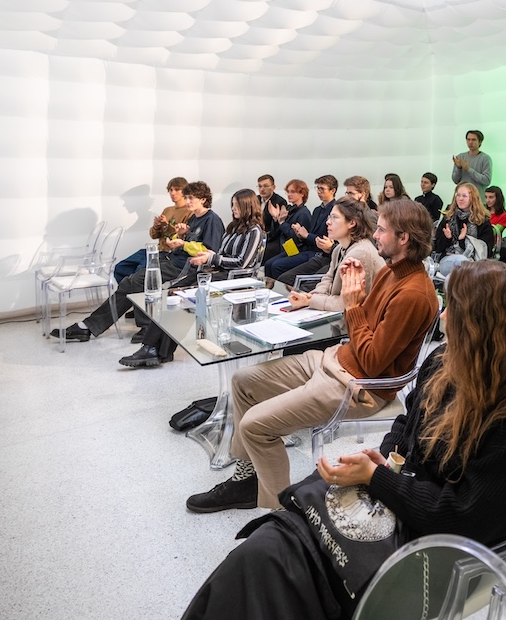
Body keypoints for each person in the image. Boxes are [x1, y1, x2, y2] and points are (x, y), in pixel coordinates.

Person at [180, 259, 506, 620]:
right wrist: (383, 460)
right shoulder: (445, 361)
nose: (442, 317)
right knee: (269, 544)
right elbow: (407, 422)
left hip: (435, 551)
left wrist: (377, 478)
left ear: (480, 326)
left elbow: (463, 516)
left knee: (277, 566)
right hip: (403, 508)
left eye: (452, 309)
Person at [186, 200, 439, 513]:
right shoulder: (390, 272)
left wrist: (353, 305)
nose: (375, 236)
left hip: (360, 387)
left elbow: (373, 361)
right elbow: (362, 326)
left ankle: (282, 516)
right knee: (243, 381)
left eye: (382, 230)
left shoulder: (414, 294)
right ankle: (247, 479)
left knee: (254, 425)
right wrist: (354, 298)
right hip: (338, 361)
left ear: (404, 238)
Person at [52, 181, 223, 342]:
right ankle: (89, 326)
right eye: (186, 197)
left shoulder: (212, 220)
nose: (187, 201)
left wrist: (183, 243)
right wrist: (180, 235)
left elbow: (209, 252)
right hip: (172, 258)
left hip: (186, 267)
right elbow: (184, 241)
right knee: (129, 280)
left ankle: (142, 326)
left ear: (203, 199)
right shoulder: (194, 218)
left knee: (139, 281)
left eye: (191, 198)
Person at [118, 189, 266, 366]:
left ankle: (152, 349)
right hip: (216, 273)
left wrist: (211, 258)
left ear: (247, 206)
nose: (233, 208)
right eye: (232, 205)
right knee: (173, 293)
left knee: (181, 298)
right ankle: (156, 349)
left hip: (233, 279)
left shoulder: (254, 231)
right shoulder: (232, 228)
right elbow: (220, 253)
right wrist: (206, 257)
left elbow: (243, 263)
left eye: (236, 205)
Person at [285, 197, 385, 312]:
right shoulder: (339, 249)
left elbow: (347, 304)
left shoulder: (360, 254)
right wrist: (311, 297)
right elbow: (328, 279)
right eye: (329, 217)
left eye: (334, 217)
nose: (328, 222)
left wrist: (310, 301)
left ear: (352, 223)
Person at [115, 177, 192, 281]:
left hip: (170, 254)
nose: (172, 193)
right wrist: (156, 226)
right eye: (170, 190)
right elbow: (154, 235)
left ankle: (138, 289)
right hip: (158, 250)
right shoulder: (167, 210)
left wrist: (166, 225)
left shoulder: (189, 212)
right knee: (121, 268)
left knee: (140, 272)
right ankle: (127, 290)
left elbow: (182, 237)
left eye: (177, 190)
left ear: (184, 191)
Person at [266, 175, 337, 281]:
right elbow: (302, 236)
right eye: (317, 188)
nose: (318, 192)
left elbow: (322, 238)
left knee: (277, 266)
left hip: (318, 252)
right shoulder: (317, 210)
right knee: (269, 264)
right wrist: (299, 232)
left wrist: (304, 234)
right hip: (304, 249)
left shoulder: (334, 210)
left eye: (322, 189)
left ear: (333, 190)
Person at [432, 182, 494, 261]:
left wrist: (463, 240)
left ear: (473, 198)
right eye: (458, 195)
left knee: (461, 260)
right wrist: (447, 238)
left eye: (464, 196)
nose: (460, 199)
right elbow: (437, 248)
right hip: (448, 258)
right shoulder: (449, 217)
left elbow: (486, 251)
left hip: (474, 262)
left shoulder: (482, 220)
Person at [265, 178, 311, 271]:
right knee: (268, 264)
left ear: (302, 194)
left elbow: (297, 238)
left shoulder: (303, 213)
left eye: (292, 192)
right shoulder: (290, 210)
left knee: (275, 265)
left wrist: (282, 222)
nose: (289, 194)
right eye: (288, 192)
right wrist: (276, 218)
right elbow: (276, 233)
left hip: (297, 250)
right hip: (287, 247)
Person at [256, 175, 287, 265]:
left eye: (265, 186)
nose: (262, 189)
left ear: (273, 187)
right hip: (255, 234)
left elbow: (277, 227)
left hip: (271, 237)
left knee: (263, 252)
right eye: (260, 186)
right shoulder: (255, 199)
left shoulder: (279, 202)